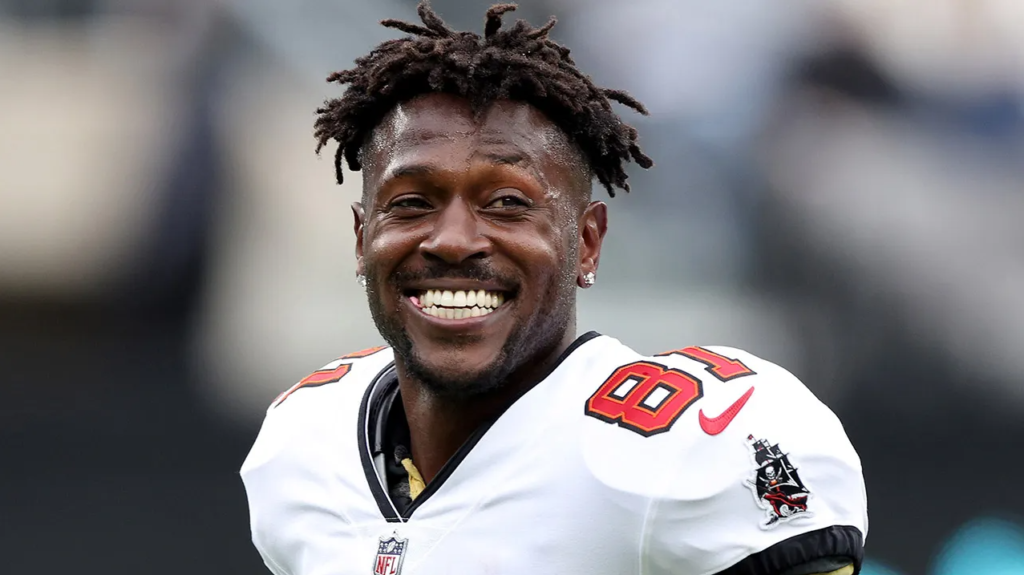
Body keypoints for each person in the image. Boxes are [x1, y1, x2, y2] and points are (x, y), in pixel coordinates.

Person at [240, 3, 867, 574]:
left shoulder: (689, 444)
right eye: (411, 203)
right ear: (362, 237)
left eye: (507, 203)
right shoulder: (303, 445)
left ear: (586, 243)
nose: (453, 240)